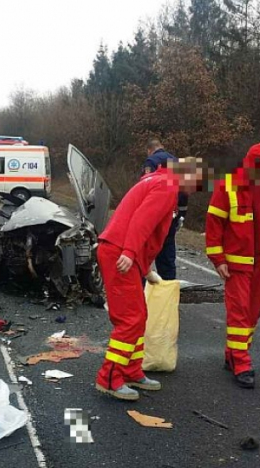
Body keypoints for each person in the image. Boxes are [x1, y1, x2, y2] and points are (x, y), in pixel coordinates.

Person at [96, 157, 205, 401]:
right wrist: (130, 252)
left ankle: (131, 370)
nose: (194, 190)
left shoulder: (158, 181)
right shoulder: (167, 187)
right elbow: (142, 222)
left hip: (122, 252)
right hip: (120, 252)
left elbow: (147, 230)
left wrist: (144, 268)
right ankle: (109, 377)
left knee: (139, 316)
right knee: (130, 319)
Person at [206, 143, 260, 389]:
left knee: (253, 312)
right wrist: (219, 259)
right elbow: (214, 223)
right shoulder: (229, 184)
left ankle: (233, 354)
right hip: (237, 262)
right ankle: (242, 363)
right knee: (239, 313)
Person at [142, 138, 188, 280]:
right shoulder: (176, 162)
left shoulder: (151, 162)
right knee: (167, 254)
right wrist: (182, 214)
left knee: (144, 253)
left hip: (155, 215)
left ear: (149, 150)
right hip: (172, 215)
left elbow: (145, 188)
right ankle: (168, 291)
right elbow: (184, 191)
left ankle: (142, 290)